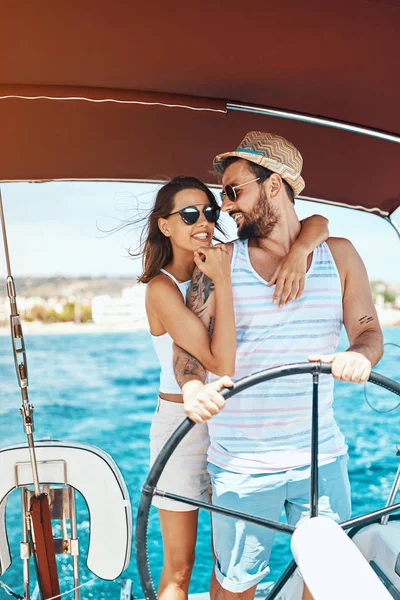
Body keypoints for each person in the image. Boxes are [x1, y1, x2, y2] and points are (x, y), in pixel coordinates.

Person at [172, 132, 383, 600]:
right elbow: (188, 351)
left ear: (273, 185)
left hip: (322, 457)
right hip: (242, 466)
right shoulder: (219, 265)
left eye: (233, 191)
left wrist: (359, 355)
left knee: (326, 581)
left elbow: (368, 331)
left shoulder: (339, 255)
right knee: (236, 584)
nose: (225, 207)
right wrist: (191, 388)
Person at [138, 175, 330, 600]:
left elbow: (317, 222)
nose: (203, 220)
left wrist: (299, 249)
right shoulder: (162, 289)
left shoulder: (226, 257)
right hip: (183, 426)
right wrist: (222, 280)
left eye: (208, 210)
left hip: (234, 430)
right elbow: (220, 364)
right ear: (164, 225)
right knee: (179, 568)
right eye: (188, 214)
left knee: (226, 560)